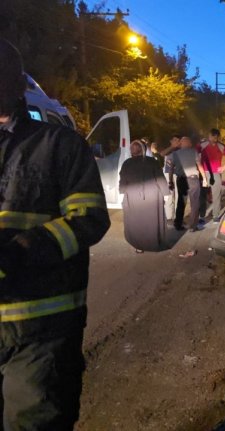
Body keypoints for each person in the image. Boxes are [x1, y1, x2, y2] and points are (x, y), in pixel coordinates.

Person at [0, 39, 110, 430]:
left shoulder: (58, 145)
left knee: (34, 420)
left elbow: (90, 218)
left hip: (41, 329)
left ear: (16, 85)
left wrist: (22, 251)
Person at [118, 140, 170, 252]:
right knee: (151, 221)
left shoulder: (127, 163)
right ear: (143, 150)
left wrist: (122, 191)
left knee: (136, 221)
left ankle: (139, 246)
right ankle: (154, 244)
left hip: (133, 197)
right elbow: (160, 178)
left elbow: (123, 181)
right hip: (152, 195)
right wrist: (165, 193)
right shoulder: (152, 161)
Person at [196, 128, 225, 222]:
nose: (215, 138)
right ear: (209, 136)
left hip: (216, 174)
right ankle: (201, 216)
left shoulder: (221, 146)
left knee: (216, 195)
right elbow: (196, 159)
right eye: (213, 135)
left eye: (216, 136)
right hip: (204, 173)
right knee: (202, 195)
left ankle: (215, 216)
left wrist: (224, 168)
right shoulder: (201, 145)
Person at [172, 136, 206, 232]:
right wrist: (204, 178)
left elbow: (171, 168)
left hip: (181, 180)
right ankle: (192, 226)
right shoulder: (193, 152)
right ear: (188, 143)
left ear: (181, 144)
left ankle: (178, 224)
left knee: (181, 202)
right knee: (194, 203)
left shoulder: (175, 153)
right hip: (192, 179)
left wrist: (170, 180)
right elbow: (199, 165)